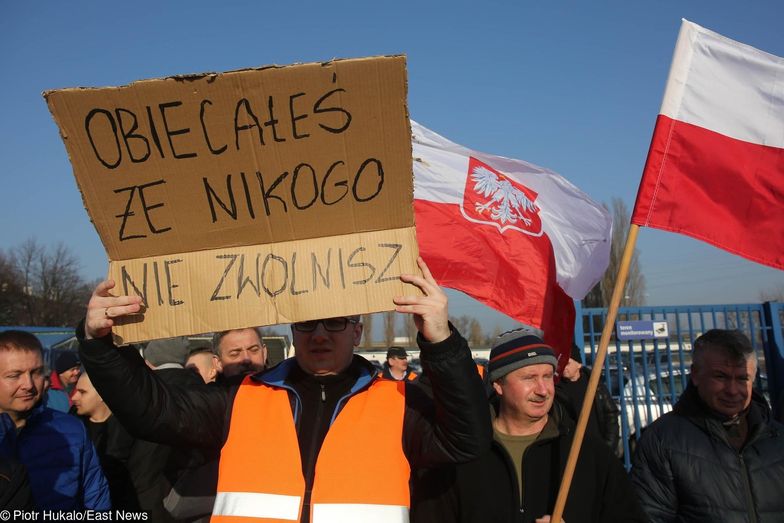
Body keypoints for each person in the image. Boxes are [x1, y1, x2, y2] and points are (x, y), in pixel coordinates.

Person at [78, 257, 490, 523]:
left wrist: (442, 342)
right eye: (307, 323)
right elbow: (153, 411)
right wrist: (100, 345)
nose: (320, 335)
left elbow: (468, 440)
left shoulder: (399, 401)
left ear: (357, 331)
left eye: (336, 322)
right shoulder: (244, 396)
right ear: (293, 330)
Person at [413, 329, 647, 523]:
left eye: (547, 376)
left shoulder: (586, 451)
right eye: (529, 378)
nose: (543, 390)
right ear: (498, 385)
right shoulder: (462, 455)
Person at [631, 329, 784, 522]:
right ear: (695, 375)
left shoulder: (777, 438)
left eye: (742, 378)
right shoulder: (662, 441)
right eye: (721, 377)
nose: (732, 390)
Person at [0, 330, 110, 510]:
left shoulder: (72, 430)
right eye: (14, 375)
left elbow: (95, 499)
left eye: (36, 372)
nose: (28, 385)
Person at [72, 371, 140, 510]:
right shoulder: (72, 425)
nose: (74, 397)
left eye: (82, 392)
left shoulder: (128, 428)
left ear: (102, 393)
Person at [556, 354, 621, 456]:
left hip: (599, 448)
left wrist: (609, 444)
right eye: (562, 364)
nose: (564, 367)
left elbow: (610, 414)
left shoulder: (594, 384)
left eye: (568, 363)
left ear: (579, 364)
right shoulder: (557, 389)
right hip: (572, 452)